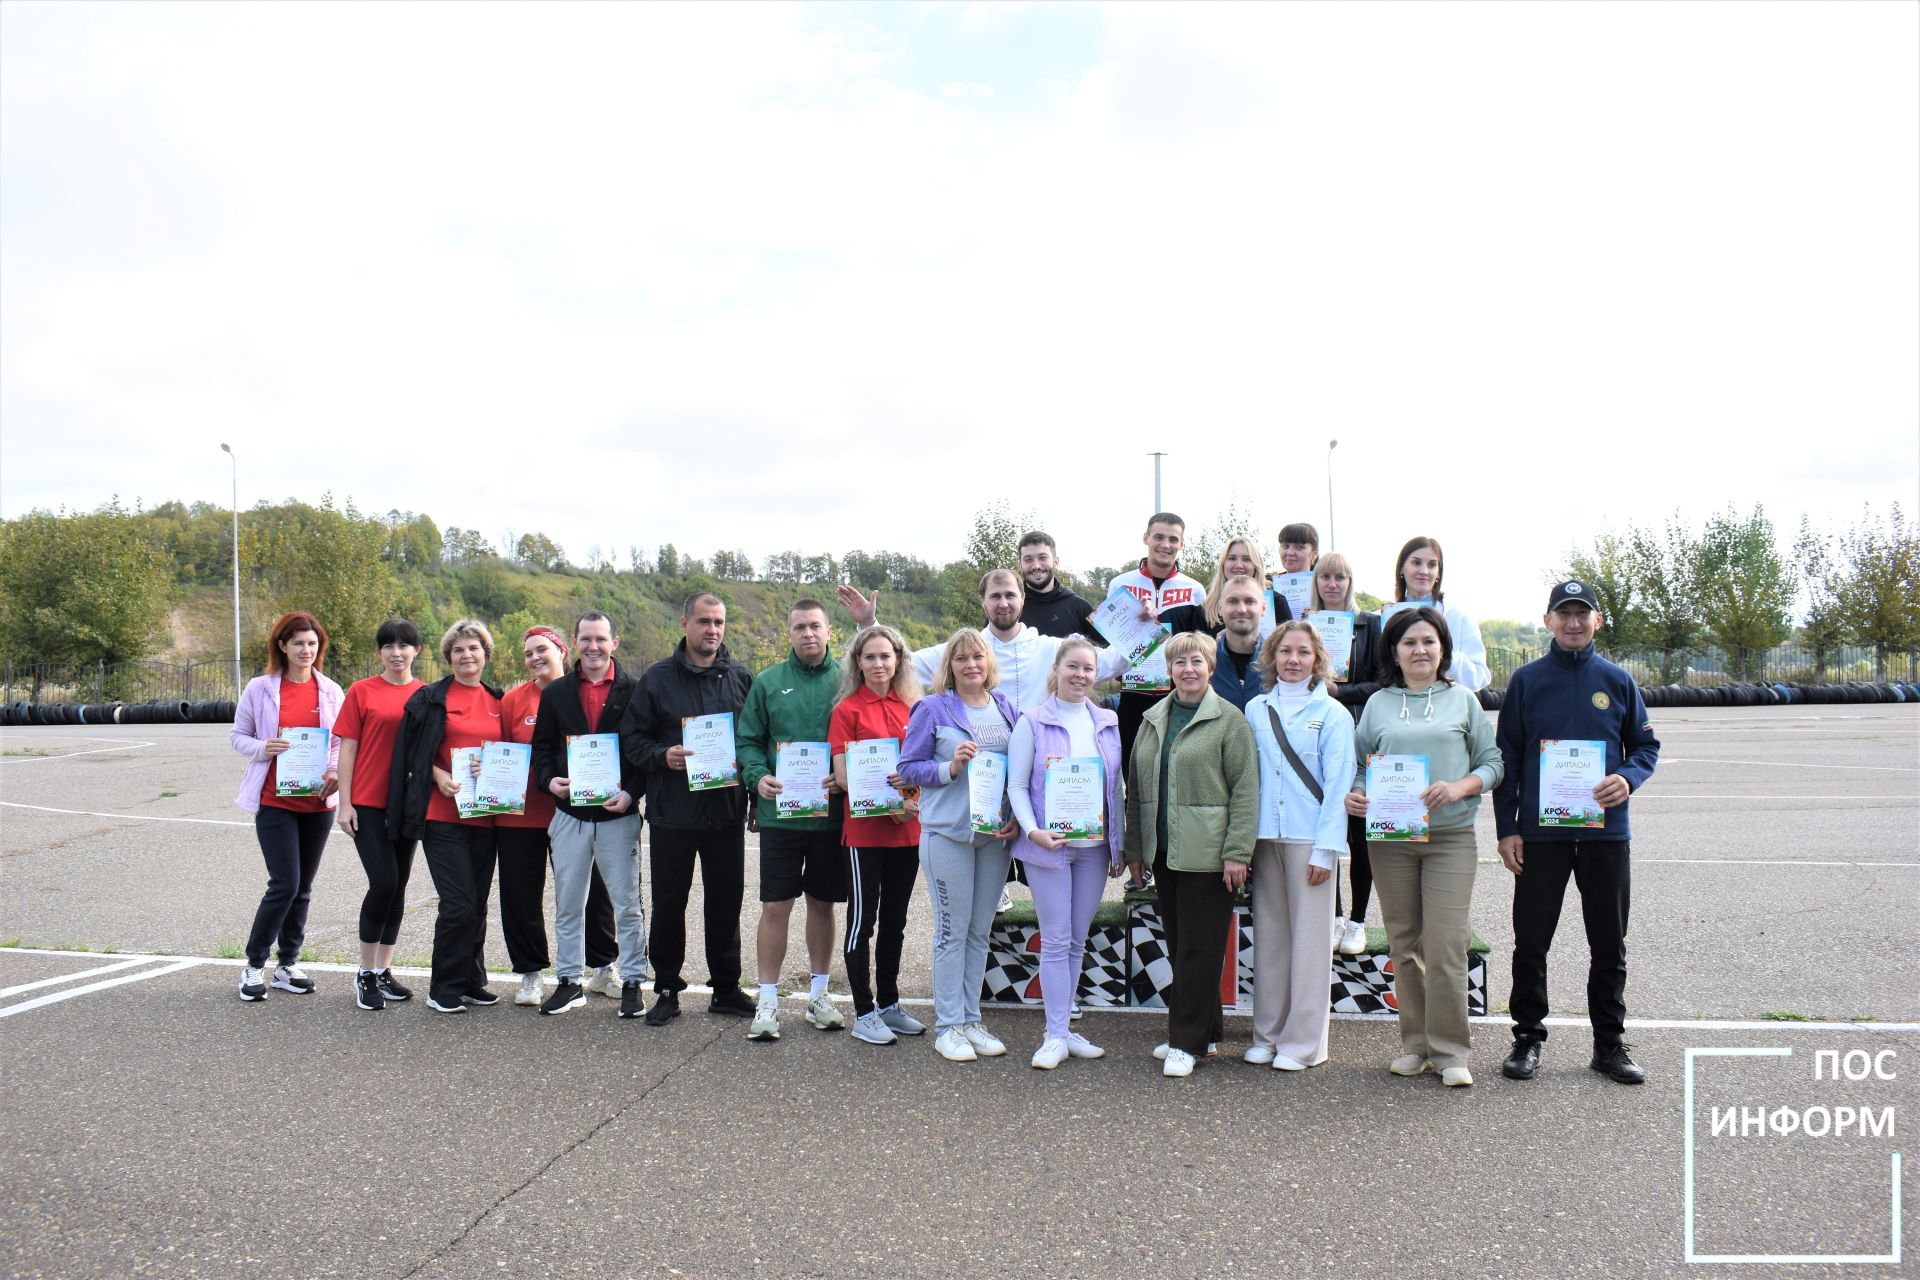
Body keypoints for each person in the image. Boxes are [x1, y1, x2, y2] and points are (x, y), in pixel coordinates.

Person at [1494, 580, 1660, 1086]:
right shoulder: (1525, 681)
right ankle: (1527, 1038)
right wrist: (1507, 830)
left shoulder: (1617, 680)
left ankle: (1608, 1046)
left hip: (1606, 835)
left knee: (1609, 943)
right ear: (1548, 621)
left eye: (1581, 613)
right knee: (1532, 941)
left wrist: (1626, 779)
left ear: (1597, 621)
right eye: (1563, 613)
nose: (1572, 622)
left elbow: (1646, 749)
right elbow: (1509, 760)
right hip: (1541, 837)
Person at [1345, 607, 1503, 1086]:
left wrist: (1459, 787)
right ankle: (1415, 1045)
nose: (1420, 650)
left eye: (1429, 642)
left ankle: (1451, 1051)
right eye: (1410, 642)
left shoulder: (1463, 701)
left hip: (1450, 838)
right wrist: (1356, 795)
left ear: (1443, 649)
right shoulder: (1378, 704)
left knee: (1447, 942)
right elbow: (1358, 765)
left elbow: (1493, 763)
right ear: (1394, 650)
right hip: (1391, 840)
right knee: (1404, 941)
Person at [1124, 632, 1261, 1078]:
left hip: (1209, 853)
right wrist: (1136, 850)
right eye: (1180, 662)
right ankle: (1208, 1034)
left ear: (1210, 666)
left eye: (1197, 661)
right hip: (1163, 851)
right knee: (1183, 945)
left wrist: (1238, 851)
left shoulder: (1229, 719)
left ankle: (1185, 1041)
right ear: (1168, 670)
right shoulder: (1152, 719)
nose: (1188, 669)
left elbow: (1245, 789)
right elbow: (1137, 791)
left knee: (1199, 951)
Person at [624, 592, 756, 1024]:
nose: (712, 630)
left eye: (718, 622)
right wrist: (665, 756)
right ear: (684, 624)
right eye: (703, 621)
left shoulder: (740, 678)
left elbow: (753, 743)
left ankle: (725, 988)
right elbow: (632, 740)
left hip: (725, 814)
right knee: (669, 906)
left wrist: (752, 795)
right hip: (672, 815)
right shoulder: (657, 679)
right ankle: (666, 988)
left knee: (725, 903)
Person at [897, 628, 1021, 1063]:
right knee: (952, 931)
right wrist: (950, 767)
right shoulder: (932, 708)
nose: (971, 665)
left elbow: (1017, 770)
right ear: (949, 666)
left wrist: (1014, 815)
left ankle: (971, 1019)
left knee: (979, 931)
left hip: (993, 837)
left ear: (989, 664)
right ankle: (948, 1025)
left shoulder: (1006, 707)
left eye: (978, 657)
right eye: (961, 658)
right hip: (948, 833)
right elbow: (908, 768)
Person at [1007, 636, 1125, 1069]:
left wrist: (1119, 844)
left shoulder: (1107, 720)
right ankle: (1054, 1034)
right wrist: (1034, 831)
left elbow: (1115, 787)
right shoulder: (1032, 721)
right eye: (1072, 666)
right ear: (1056, 670)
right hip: (1049, 849)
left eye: (1088, 669)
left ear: (1096, 675)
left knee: (1077, 940)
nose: (1080, 675)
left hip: (1094, 849)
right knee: (1056, 940)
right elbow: (1017, 786)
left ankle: (1065, 1027)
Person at [1242, 621, 1355, 1070]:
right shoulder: (1254, 709)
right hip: (1265, 837)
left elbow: (1338, 783)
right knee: (1270, 941)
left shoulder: (1333, 715)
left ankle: (1303, 1044)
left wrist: (1326, 850)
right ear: (1271, 657)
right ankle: (1267, 1035)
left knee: (1309, 945)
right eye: (1285, 651)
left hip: (1310, 839)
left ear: (1317, 660)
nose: (1293, 659)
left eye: (1303, 652)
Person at [735, 599, 850, 1040]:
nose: (807, 634)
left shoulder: (848, 680)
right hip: (780, 817)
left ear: (829, 631)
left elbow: (859, 741)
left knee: (822, 905)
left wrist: (846, 779)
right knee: (775, 906)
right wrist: (758, 776)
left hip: (829, 817)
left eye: (815, 626)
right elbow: (748, 740)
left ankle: (819, 996)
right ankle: (767, 1002)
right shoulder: (768, 682)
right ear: (789, 633)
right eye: (799, 627)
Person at [528, 611, 649, 1020]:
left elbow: (645, 749)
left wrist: (632, 791)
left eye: (601, 638)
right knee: (568, 902)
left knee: (627, 903)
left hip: (618, 816)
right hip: (569, 815)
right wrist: (549, 783)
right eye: (586, 639)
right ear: (575, 643)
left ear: (615, 642)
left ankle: (632, 981)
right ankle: (568, 981)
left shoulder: (636, 689)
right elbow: (542, 750)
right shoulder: (557, 692)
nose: (593, 646)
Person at [388, 619, 505, 1014]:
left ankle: (472, 980)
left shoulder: (497, 699)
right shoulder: (430, 697)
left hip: (486, 817)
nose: (466, 655)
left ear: (485, 654)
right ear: (448, 657)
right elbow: (409, 754)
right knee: (457, 903)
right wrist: (436, 773)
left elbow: (506, 757)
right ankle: (444, 987)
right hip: (443, 816)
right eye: (458, 650)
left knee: (478, 904)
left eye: (473, 648)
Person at [230, 611, 344, 1003]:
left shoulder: (330, 690)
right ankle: (253, 965)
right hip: (274, 801)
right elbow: (237, 736)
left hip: (317, 803)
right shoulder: (260, 688)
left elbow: (339, 742)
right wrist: (265, 747)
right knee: (285, 884)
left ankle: (287, 964)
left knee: (303, 888)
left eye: (312, 644)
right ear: (282, 646)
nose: (306, 650)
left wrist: (333, 769)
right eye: (298, 643)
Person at [840, 570, 1130, 713]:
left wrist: (1140, 628)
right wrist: (868, 624)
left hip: (1041, 761)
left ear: (1022, 598)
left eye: (1009, 595)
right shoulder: (963, 651)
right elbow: (902, 664)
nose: (1003, 603)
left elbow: (1105, 663)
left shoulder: (1050, 648)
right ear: (983, 601)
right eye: (995, 596)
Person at [828, 624, 926, 1046]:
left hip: (909, 830)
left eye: (886, 656)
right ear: (858, 663)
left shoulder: (916, 707)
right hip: (866, 833)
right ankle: (864, 1011)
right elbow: (844, 776)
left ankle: (889, 1002)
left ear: (899, 660)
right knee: (861, 923)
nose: (879, 664)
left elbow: (923, 764)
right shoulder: (846, 710)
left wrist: (912, 803)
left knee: (896, 923)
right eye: (870, 657)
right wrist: (892, 801)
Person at [333, 617, 424, 1010]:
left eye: (404, 646)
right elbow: (348, 750)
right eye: (388, 646)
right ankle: (365, 973)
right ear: (380, 653)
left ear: (416, 651)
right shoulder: (361, 691)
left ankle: (384, 972)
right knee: (383, 882)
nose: (396, 653)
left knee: (399, 886)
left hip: (407, 805)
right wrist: (345, 803)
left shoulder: (426, 694)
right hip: (368, 803)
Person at [1308, 551, 1385, 956]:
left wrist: (1342, 691)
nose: (1332, 584)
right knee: (1328, 830)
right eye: (1325, 577)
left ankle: (1357, 920)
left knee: (1359, 834)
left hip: (1359, 737)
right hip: (1319, 742)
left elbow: (1382, 682)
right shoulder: (1306, 626)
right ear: (1316, 582)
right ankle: (1334, 916)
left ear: (1350, 581)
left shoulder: (1370, 624)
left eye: (1340, 577)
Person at [495, 625, 569, 1007]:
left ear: (562, 650)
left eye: (542, 649)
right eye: (528, 653)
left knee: (587, 895)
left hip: (571, 813)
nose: (535, 658)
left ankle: (602, 965)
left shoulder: (578, 693)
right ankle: (530, 973)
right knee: (521, 896)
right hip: (519, 816)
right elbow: (498, 754)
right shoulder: (513, 700)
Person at [1108, 512, 1207, 766]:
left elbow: (1201, 643)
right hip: (1134, 691)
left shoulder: (1195, 589)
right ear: (1146, 538)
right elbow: (1111, 639)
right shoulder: (1121, 583)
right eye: (1159, 536)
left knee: (1175, 768)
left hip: (1179, 693)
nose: (1166, 544)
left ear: (1182, 544)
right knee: (1133, 770)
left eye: (1173, 539)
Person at [1389, 536, 1491, 692]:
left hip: (1448, 710)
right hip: (1397, 706)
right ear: (1402, 568)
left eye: (1432, 565)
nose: (1424, 571)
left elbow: (1480, 676)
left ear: (1438, 573)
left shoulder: (1458, 615)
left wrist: (1443, 657)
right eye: (1416, 563)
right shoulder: (1383, 617)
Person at [1017, 530, 1099, 642]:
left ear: (1055, 562)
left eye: (1042, 557)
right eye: (1028, 559)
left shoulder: (1080, 608)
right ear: (1020, 565)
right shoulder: (1008, 608)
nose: (1036, 565)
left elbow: (1111, 653)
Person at [1206, 575, 1269, 712]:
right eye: (1233, 601)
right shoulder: (1205, 662)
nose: (1241, 609)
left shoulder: (1278, 662)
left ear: (1263, 608)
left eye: (1250, 601)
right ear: (1220, 608)